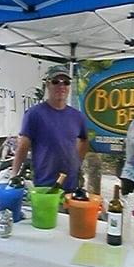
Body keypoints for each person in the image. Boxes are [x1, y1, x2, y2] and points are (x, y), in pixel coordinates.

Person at [11, 64, 88, 193]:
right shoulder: (34, 114)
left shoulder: (77, 116)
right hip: (44, 184)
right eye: (56, 82)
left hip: (71, 184)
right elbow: (23, 146)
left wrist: (77, 163)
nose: (61, 86)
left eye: (66, 82)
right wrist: (14, 175)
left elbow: (84, 141)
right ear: (48, 84)